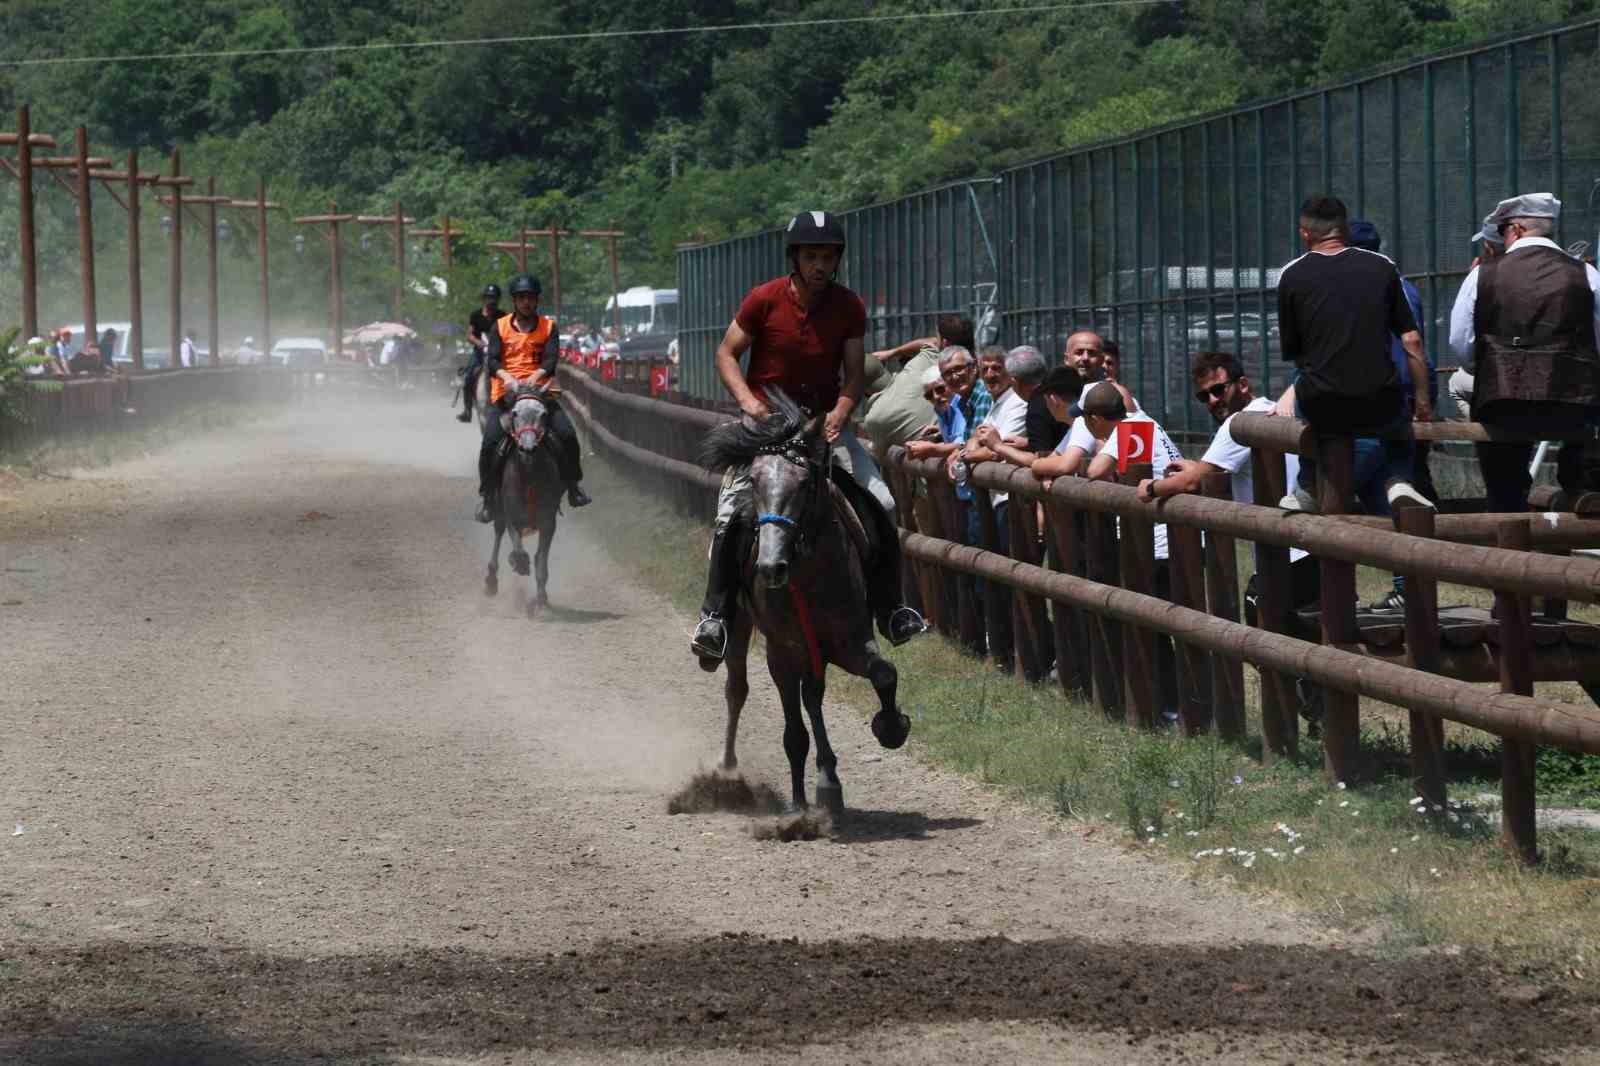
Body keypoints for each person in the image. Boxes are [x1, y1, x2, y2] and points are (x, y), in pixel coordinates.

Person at [689, 210, 924, 664]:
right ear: (795, 257)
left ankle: (892, 608)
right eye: (811, 256)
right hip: (765, 427)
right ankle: (715, 616)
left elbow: (855, 375)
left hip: (821, 426)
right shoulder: (763, 299)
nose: (820, 264)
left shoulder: (849, 306)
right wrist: (747, 402)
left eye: (828, 256)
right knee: (732, 514)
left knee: (884, 502)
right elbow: (726, 353)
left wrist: (841, 411)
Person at [1276, 195, 1431, 513]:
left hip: (1324, 403)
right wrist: (1423, 398)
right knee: (1396, 421)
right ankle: (1400, 478)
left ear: (1305, 233)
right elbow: (1411, 341)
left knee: (1308, 393)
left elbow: (1294, 352)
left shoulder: (1291, 275)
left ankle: (1308, 485)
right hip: (1379, 399)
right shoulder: (1382, 267)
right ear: (1343, 229)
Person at [1448, 192, 1600, 512]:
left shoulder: (1483, 274)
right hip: (1572, 401)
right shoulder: (1586, 274)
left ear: (1515, 229)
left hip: (1503, 402)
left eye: (1503, 229)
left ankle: (1507, 515)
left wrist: (1490, 367)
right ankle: (1578, 483)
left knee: (1504, 484)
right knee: (1584, 434)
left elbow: (1460, 344)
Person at [477, 273, 592, 521]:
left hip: (541, 395)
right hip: (507, 397)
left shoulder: (549, 327)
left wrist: (537, 375)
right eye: (521, 298)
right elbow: (493, 359)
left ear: (536, 300)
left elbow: (551, 360)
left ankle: (573, 487)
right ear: (515, 301)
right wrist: (507, 377)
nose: (525, 302)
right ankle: (487, 498)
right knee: (489, 444)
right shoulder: (499, 326)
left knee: (568, 435)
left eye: (530, 298)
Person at [862, 315, 975, 453]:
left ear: (945, 343)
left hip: (882, 421)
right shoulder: (970, 369)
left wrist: (893, 352)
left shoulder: (941, 360)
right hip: (922, 434)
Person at [1445, 213, 1508, 421]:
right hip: (1562, 381)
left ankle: (1484, 428)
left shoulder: (1480, 276)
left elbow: (1459, 338)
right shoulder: (1565, 270)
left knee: (1456, 382)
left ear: (1489, 247)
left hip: (1501, 381)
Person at [458, 283, 502, 423]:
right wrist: (478, 343)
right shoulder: (476, 316)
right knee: (468, 377)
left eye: (494, 298)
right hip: (479, 354)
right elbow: (469, 335)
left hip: (498, 354)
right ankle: (467, 410)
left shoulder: (502, 316)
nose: (492, 301)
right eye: (489, 298)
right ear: (484, 299)